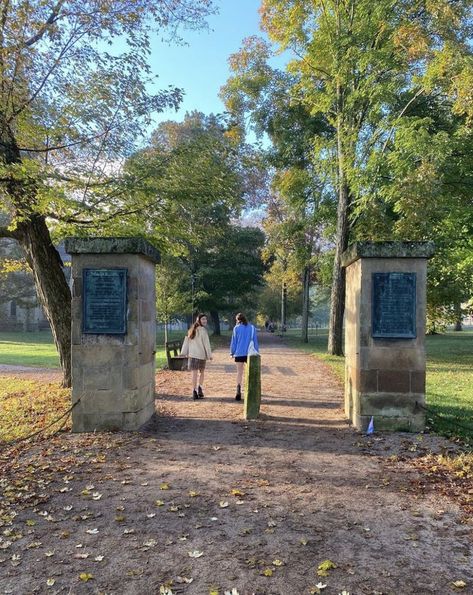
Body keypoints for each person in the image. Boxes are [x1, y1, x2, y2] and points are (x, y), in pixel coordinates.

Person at [180, 313, 212, 400]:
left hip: (192, 355)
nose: (205, 321)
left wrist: (184, 352)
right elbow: (207, 344)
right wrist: (209, 355)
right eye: (203, 319)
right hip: (201, 355)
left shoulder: (191, 329)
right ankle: (200, 388)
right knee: (202, 372)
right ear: (199, 320)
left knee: (194, 374)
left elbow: (187, 341)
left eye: (205, 319)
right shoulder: (203, 331)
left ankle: (194, 391)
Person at [230, 312, 259, 401]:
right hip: (250, 354)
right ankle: (250, 390)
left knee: (239, 372)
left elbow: (234, 342)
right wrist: (257, 352)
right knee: (249, 372)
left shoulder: (236, 328)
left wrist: (232, 352)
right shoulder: (252, 328)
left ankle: (238, 390)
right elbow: (255, 341)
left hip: (239, 353)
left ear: (238, 320)